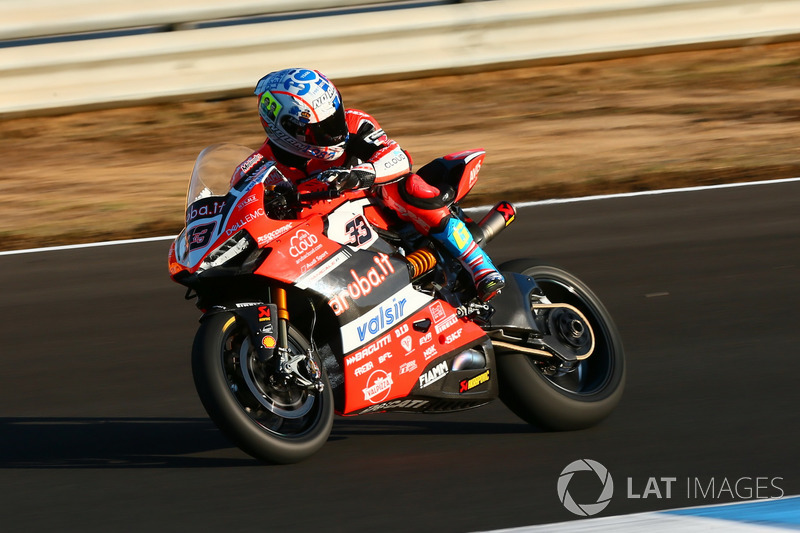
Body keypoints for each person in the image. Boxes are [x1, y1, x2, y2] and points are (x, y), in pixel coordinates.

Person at [237, 68, 505, 302]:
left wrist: (362, 173)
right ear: (285, 130)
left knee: (405, 186)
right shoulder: (258, 168)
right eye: (320, 129)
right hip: (316, 241)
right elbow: (240, 212)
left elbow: (398, 158)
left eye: (335, 117)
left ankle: (480, 266)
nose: (335, 132)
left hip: (380, 215)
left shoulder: (354, 122)